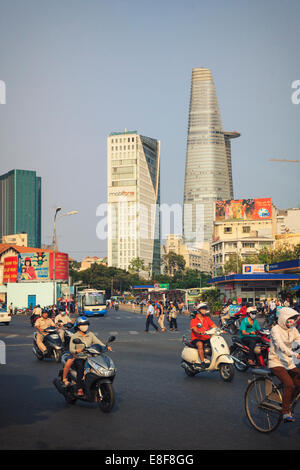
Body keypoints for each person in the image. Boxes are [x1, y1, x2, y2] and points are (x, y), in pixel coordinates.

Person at [268, 307, 300, 423]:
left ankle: (287, 401)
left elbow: (299, 340)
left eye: (293, 319)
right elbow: (280, 346)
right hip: (276, 362)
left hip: (288, 362)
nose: (292, 321)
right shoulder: (275, 329)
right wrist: (295, 354)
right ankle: (285, 412)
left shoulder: (292, 329)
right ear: (283, 318)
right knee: (290, 384)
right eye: (290, 319)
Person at [68, 316, 112, 395]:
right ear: (78, 326)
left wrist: (105, 347)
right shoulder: (74, 336)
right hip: (80, 357)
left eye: (86, 324)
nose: (85, 326)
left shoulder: (90, 334)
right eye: (83, 324)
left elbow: (97, 342)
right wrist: (77, 351)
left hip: (91, 356)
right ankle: (79, 388)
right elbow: (71, 349)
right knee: (81, 369)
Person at [190, 303, 217, 369]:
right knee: (200, 344)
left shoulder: (207, 318)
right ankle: (202, 362)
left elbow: (213, 326)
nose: (205, 310)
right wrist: (199, 332)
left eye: (205, 309)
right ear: (199, 310)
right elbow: (194, 328)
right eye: (203, 309)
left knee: (215, 343)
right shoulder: (194, 319)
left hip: (206, 337)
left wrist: (219, 330)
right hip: (196, 338)